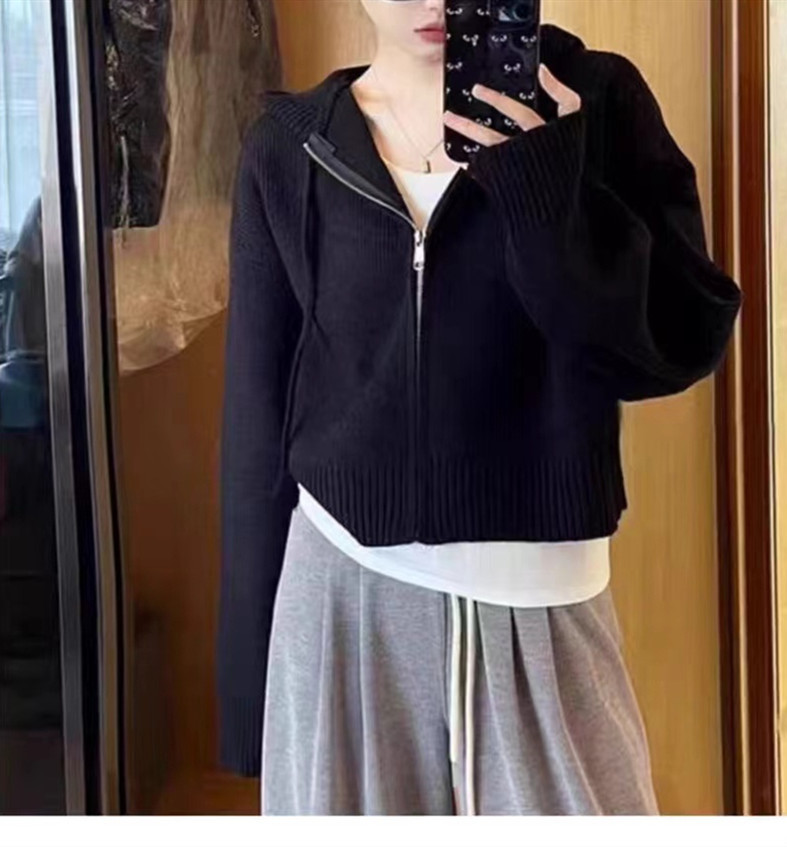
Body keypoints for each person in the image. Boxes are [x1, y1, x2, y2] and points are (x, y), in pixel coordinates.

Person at [216, 0, 743, 816]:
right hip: (341, 593)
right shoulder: (291, 146)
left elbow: (678, 344)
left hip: (539, 600)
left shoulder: (594, 103)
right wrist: (249, 692)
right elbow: (257, 416)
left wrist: (545, 194)